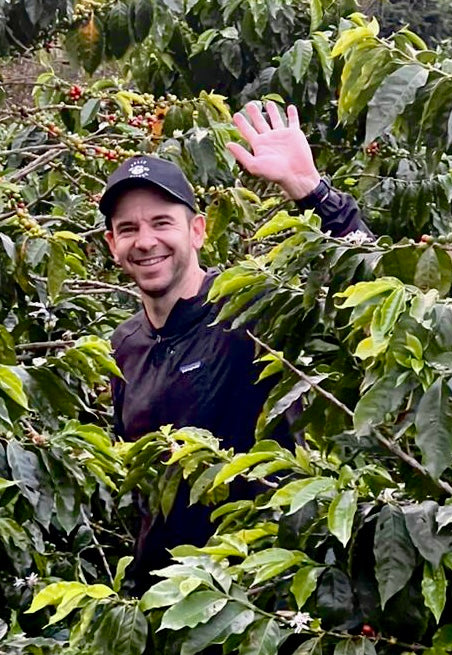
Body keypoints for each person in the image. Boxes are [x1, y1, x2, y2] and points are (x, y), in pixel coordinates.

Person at [101, 102, 371, 594]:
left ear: (197, 230)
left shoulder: (248, 307)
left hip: (262, 594)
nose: (145, 242)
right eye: (128, 229)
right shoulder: (124, 346)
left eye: (162, 223)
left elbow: (366, 285)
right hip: (168, 601)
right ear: (112, 245)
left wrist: (313, 192)